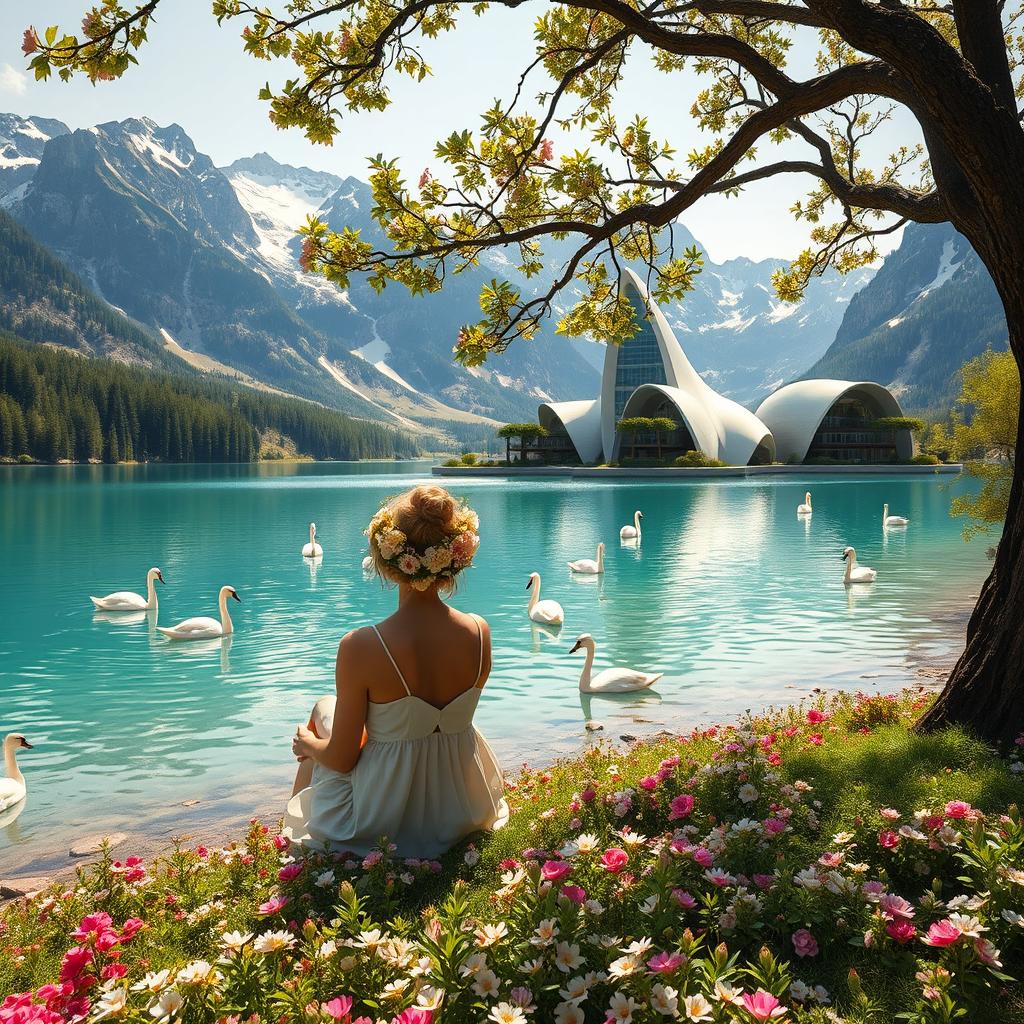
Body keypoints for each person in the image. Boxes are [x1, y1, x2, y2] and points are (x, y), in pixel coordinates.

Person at [284, 484, 507, 857]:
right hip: (463, 807)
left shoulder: (361, 646)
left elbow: (342, 759)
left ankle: (291, 842)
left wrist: (308, 745)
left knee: (322, 713)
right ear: (454, 557)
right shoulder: (480, 633)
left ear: (388, 561)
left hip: (383, 820)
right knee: (343, 709)